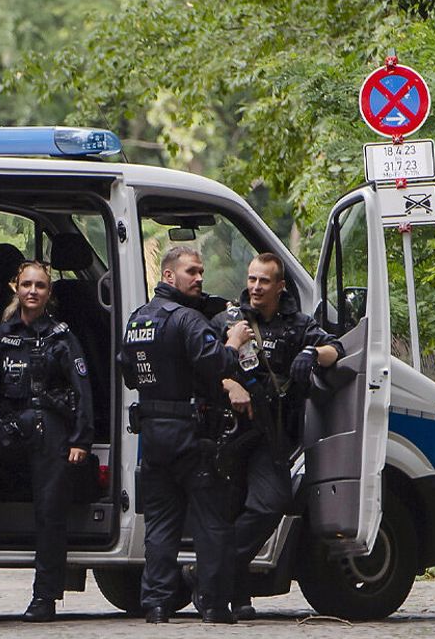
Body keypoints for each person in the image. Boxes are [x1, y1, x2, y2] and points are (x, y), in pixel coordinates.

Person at [119, 246, 252, 624]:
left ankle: (157, 604)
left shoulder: (138, 320)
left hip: (153, 435)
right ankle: (213, 604)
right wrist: (234, 341)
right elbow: (218, 364)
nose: (199, 278)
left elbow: (128, 374)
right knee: (212, 522)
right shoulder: (187, 319)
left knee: (161, 524)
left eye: (200, 272)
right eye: (191, 271)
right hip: (192, 435)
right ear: (168, 275)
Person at [209, 253, 343, 620]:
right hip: (230, 433)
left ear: (280, 286)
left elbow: (336, 350)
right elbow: (202, 363)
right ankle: (235, 597)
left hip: (272, 433)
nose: (255, 287)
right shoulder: (228, 321)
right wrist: (230, 383)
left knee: (271, 503)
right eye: (252, 279)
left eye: (264, 281)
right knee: (231, 510)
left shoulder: (298, 324)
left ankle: (214, 573)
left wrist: (312, 352)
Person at [0, 261, 94, 623]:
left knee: (50, 513)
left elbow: (82, 391)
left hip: (50, 429)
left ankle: (45, 598)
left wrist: (81, 441)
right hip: (11, 424)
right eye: (27, 284)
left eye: (40, 286)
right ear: (15, 287)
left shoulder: (62, 337)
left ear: (49, 292)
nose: (33, 291)